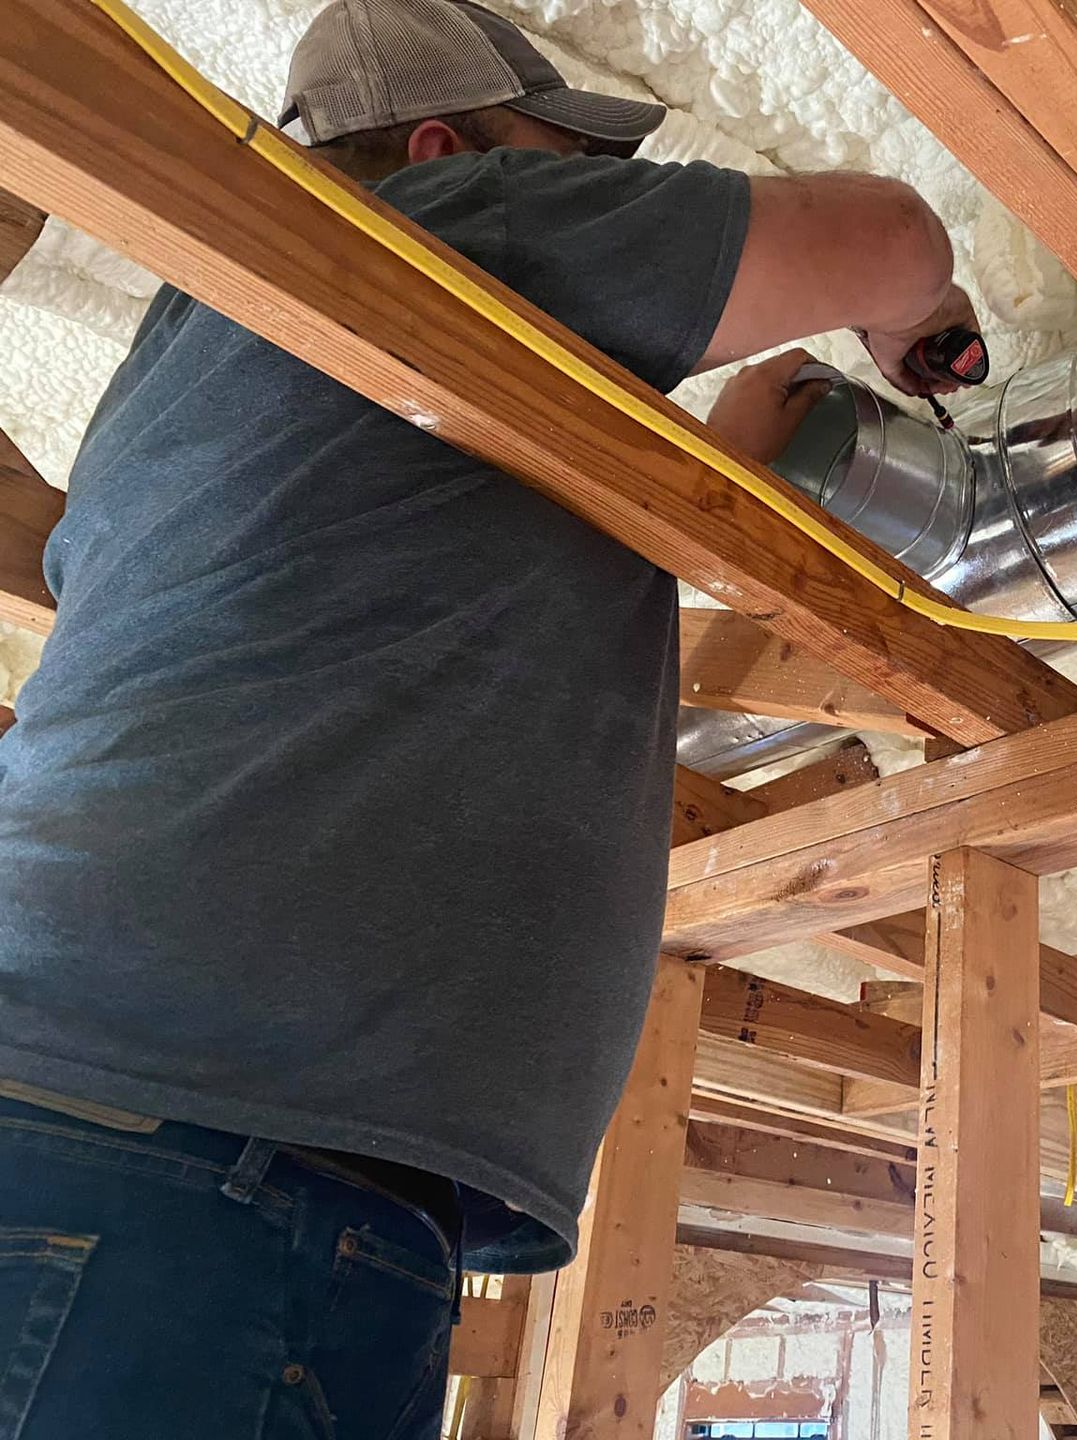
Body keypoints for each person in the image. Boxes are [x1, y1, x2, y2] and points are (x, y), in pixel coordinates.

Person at [0, 1, 977, 1434]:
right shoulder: (440, 218)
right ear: (451, 149)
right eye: (557, 157)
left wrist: (704, 482)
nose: (583, 191)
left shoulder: (175, 391)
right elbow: (892, 238)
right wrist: (924, 330)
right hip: (210, 1162)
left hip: (170, 1148)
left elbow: (431, 594)